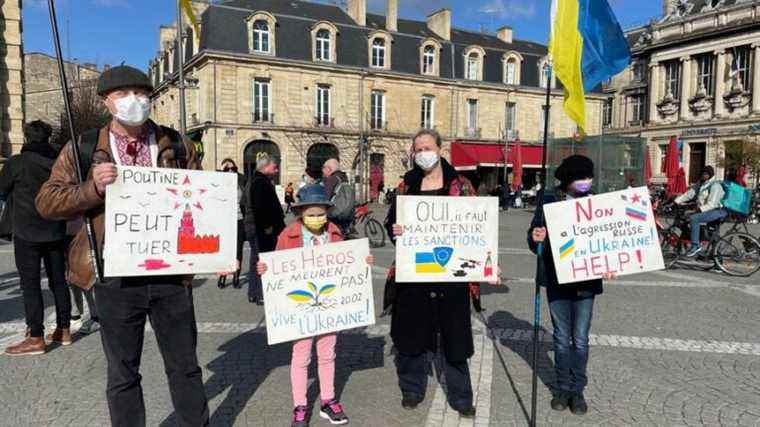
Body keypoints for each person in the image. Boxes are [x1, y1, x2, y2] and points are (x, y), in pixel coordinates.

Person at [35, 65, 209, 426]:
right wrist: (91, 189)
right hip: (113, 277)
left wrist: (218, 249)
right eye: (124, 94)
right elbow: (47, 201)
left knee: (185, 368)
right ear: (106, 101)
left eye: (142, 94)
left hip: (171, 277)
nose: (135, 101)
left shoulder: (176, 144)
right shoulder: (84, 147)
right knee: (123, 374)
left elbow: (206, 199)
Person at [384, 129, 494, 417]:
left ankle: (460, 395)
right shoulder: (406, 185)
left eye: (427, 147)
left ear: (439, 149)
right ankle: (412, 388)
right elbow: (391, 223)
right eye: (417, 149)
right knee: (411, 334)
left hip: (452, 276)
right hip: (414, 271)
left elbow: (478, 228)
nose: (422, 154)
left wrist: (487, 260)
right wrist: (395, 231)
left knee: (455, 336)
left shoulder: (461, 185)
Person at [256, 184, 373, 427]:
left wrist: (363, 261)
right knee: (301, 356)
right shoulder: (287, 235)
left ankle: (328, 401)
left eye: (321, 214)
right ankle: (300, 405)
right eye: (311, 214)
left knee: (328, 353)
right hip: (301, 308)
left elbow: (347, 263)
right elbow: (276, 267)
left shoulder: (335, 232)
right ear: (301, 213)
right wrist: (264, 270)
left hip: (329, 306)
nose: (317, 218)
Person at [527, 154, 612, 416]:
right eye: (581, 178)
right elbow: (533, 240)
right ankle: (563, 388)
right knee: (562, 339)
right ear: (567, 180)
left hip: (586, 282)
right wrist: (535, 237)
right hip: (557, 280)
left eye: (588, 177)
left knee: (581, 339)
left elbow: (608, 239)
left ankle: (577, 390)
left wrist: (609, 262)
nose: (586, 182)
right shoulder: (548, 200)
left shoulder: (597, 203)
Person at [0, 120, 71, 356]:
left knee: (30, 285)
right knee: (58, 280)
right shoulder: (57, 163)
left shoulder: (17, 163)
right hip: (55, 228)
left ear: (27, 137)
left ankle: (36, 335)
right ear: (48, 137)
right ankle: (64, 329)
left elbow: (2, 189)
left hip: (26, 231)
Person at [244, 153, 285, 304]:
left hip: (254, 227)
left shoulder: (254, 180)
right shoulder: (260, 182)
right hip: (262, 230)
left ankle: (253, 292)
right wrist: (268, 228)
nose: (276, 171)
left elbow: (245, 205)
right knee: (264, 261)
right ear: (266, 166)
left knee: (256, 259)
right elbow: (260, 209)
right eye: (274, 168)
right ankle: (261, 293)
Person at [674, 165, 727, 257]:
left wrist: (696, 211)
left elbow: (712, 204)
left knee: (694, 218)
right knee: (712, 236)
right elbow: (689, 194)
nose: (704, 175)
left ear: (710, 175)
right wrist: (675, 201)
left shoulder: (715, 186)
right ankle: (716, 261)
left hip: (718, 211)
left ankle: (695, 245)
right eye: (703, 173)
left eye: (706, 174)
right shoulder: (701, 184)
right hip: (708, 211)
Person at [218, 158, 246, 289]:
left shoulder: (242, 182)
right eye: (226, 169)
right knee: (224, 250)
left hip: (239, 220)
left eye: (233, 169)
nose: (230, 171)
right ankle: (222, 276)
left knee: (238, 250)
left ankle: (236, 276)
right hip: (224, 221)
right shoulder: (219, 185)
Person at [322, 158, 353, 232]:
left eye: (324, 168)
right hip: (345, 215)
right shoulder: (343, 178)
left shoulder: (332, 179)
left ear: (329, 169)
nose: (322, 171)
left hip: (333, 216)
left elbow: (325, 198)